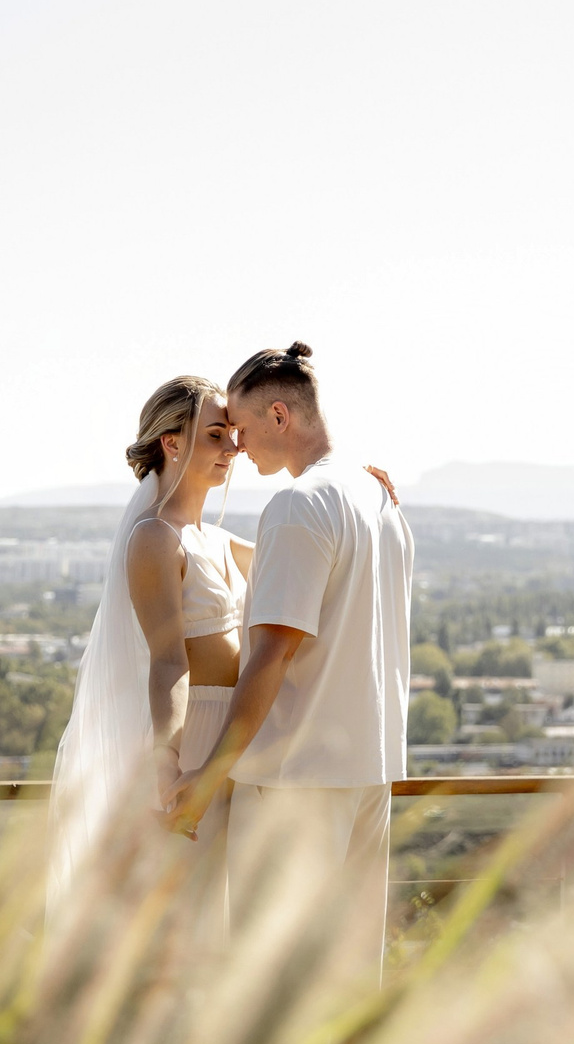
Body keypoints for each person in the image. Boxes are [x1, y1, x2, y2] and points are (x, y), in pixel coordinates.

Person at [165, 342, 413, 974]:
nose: (239, 448)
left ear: (280, 416)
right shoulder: (380, 501)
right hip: (368, 770)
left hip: (294, 780)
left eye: (243, 430)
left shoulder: (300, 506)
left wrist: (211, 772)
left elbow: (271, 655)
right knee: (354, 977)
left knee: (266, 981)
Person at [45, 375, 250, 930]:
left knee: (225, 913)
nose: (233, 448)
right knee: (187, 919)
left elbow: (313, 557)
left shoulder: (218, 538)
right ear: (172, 442)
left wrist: (360, 486)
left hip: (238, 736)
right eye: (216, 434)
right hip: (195, 734)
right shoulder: (155, 538)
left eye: (232, 434)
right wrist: (169, 756)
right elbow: (167, 660)